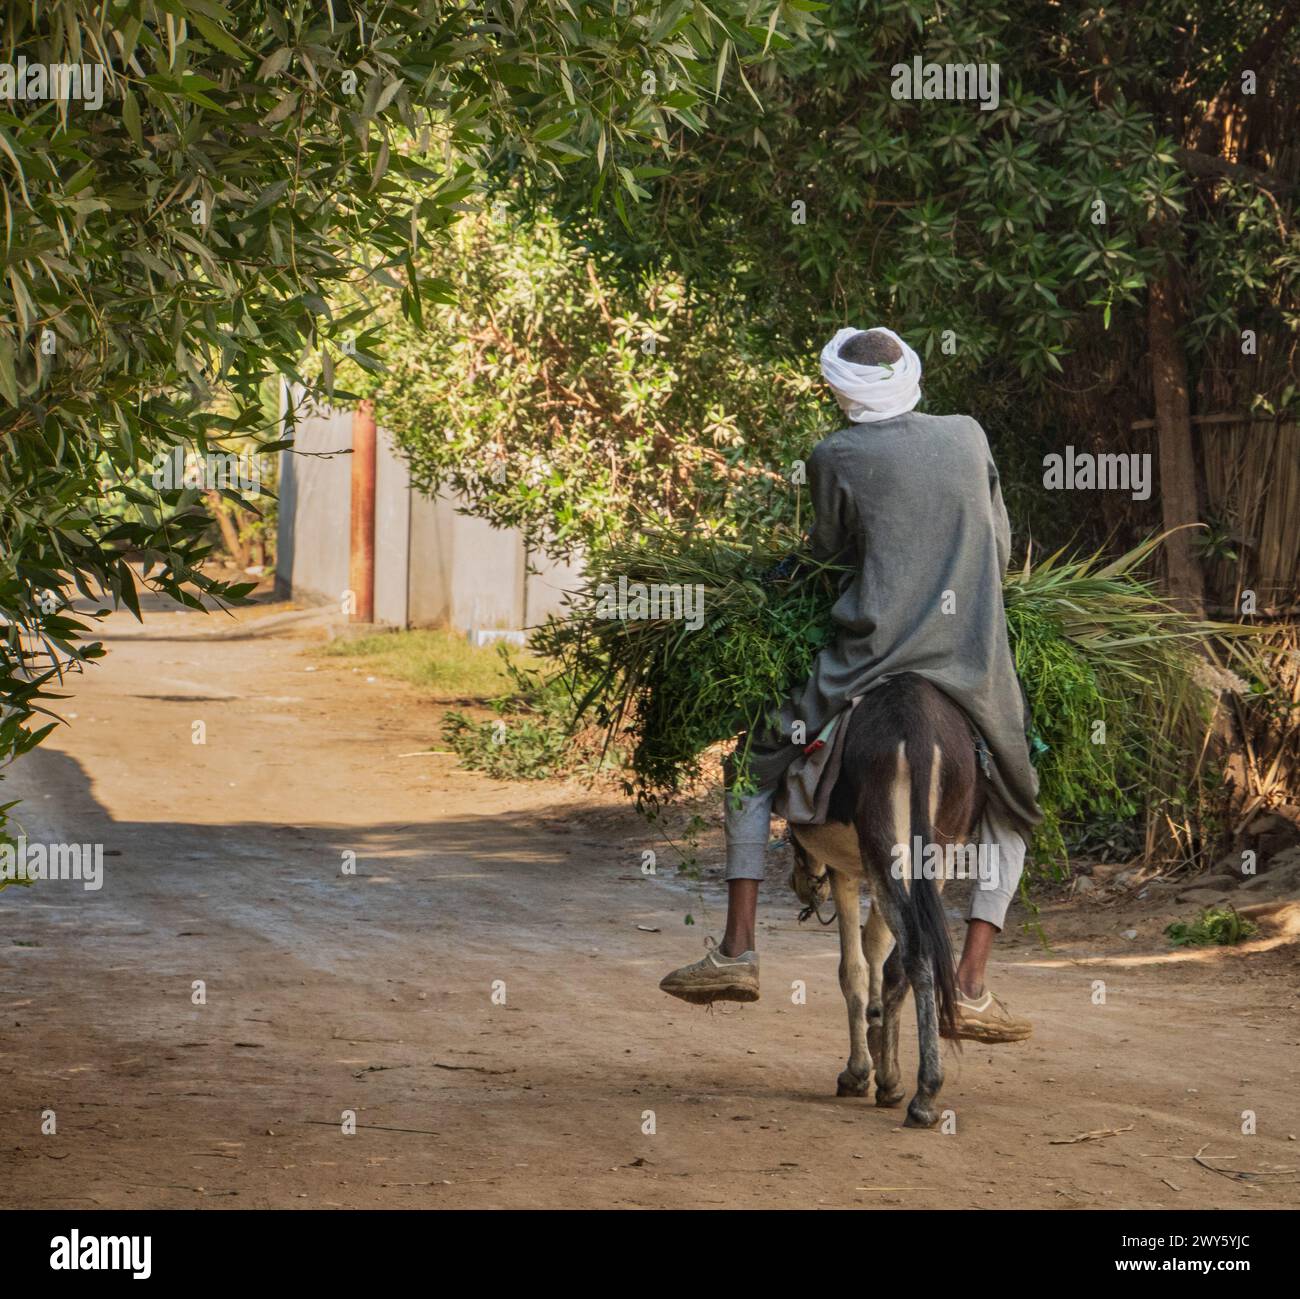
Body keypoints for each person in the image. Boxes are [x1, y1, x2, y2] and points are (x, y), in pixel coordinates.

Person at [659, 326, 1039, 1043]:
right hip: (974, 665)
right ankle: (975, 983)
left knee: (749, 766)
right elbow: (999, 544)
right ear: (911, 376)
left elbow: (830, 555)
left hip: (867, 662)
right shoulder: (968, 434)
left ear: (841, 391)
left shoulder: (833, 455)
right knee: (1016, 800)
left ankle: (739, 950)